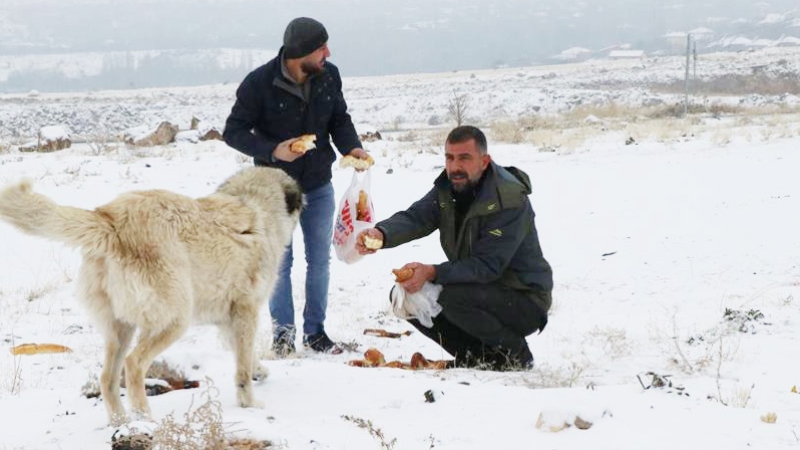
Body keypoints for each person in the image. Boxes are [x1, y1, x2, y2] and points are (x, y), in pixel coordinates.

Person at [224, 17, 370, 356]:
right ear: (300, 52)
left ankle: (316, 333)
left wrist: (352, 148)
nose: (328, 53)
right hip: (274, 192)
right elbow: (234, 131)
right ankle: (283, 336)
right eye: (321, 48)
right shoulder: (258, 83)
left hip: (319, 184)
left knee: (319, 260)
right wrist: (272, 150)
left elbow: (339, 119)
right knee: (280, 263)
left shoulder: (329, 75)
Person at [355, 126, 552, 370]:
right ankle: (477, 357)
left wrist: (432, 272)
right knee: (405, 296)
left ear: (484, 161)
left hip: (524, 299)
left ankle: (516, 356)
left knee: (449, 296)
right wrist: (381, 234)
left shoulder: (509, 199)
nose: (455, 166)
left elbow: (488, 266)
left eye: (464, 158)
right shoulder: (449, 188)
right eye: (449, 158)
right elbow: (417, 217)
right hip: (482, 290)